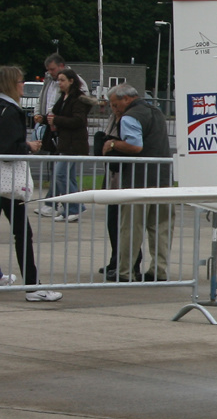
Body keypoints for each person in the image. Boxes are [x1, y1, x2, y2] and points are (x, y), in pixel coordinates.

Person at [0, 65, 60, 302]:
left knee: (22, 232)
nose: (22, 86)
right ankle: (33, 287)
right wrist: (29, 147)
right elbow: (9, 148)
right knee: (23, 233)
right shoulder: (10, 111)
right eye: (19, 82)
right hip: (7, 182)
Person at [102, 83, 172, 283]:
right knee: (161, 228)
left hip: (138, 180)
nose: (115, 109)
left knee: (131, 228)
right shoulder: (156, 112)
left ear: (126, 99)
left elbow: (135, 145)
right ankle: (159, 270)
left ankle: (125, 272)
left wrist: (112, 143)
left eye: (115, 104)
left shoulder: (130, 116)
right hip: (163, 179)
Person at [44, 67, 91, 222]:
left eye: (63, 80)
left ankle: (74, 208)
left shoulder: (78, 99)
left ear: (72, 81)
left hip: (74, 144)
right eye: (58, 80)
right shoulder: (64, 97)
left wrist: (56, 120)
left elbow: (78, 121)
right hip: (65, 143)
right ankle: (70, 208)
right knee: (68, 177)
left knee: (61, 175)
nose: (60, 83)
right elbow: (56, 114)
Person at [32, 53, 67, 218]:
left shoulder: (75, 81)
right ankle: (58, 203)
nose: (50, 73)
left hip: (62, 129)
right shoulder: (48, 81)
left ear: (61, 66)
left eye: (52, 69)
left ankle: (55, 203)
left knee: (61, 169)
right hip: (49, 126)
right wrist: (38, 114)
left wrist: (56, 119)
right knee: (57, 167)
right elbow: (41, 98)